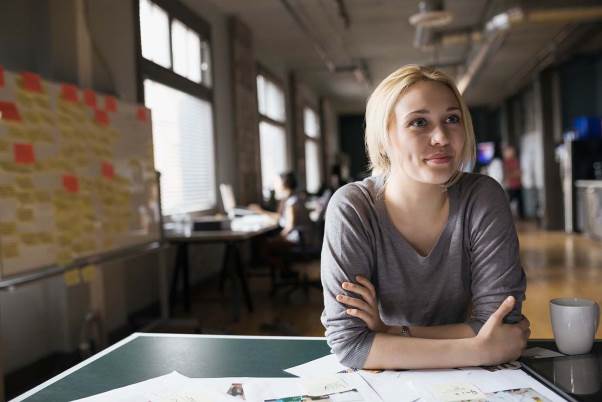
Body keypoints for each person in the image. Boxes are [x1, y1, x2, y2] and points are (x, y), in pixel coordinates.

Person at [320, 65, 529, 370]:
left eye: (452, 119)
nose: (442, 137)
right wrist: (479, 350)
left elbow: (500, 325)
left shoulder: (482, 197)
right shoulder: (353, 208)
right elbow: (350, 346)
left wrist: (389, 333)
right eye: (419, 122)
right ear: (384, 138)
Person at [503, 144, 524, 219]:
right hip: (510, 185)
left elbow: (520, 172)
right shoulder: (506, 163)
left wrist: (515, 174)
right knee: (510, 202)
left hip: (518, 184)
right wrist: (515, 173)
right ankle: (509, 216)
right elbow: (507, 174)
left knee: (520, 203)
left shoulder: (516, 161)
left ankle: (521, 216)